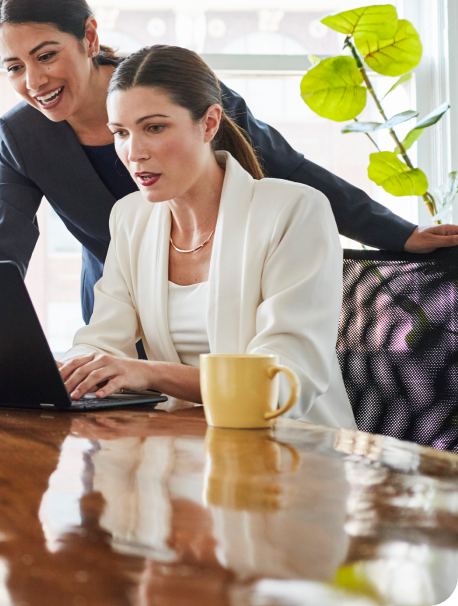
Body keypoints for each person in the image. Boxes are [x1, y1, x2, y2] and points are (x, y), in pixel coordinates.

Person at [0, 0, 458, 323]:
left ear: (89, 37)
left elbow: (290, 170)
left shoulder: (172, 88)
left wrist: (398, 233)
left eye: (46, 55)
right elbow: (1, 249)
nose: (34, 82)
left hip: (225, 302)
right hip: (119, 316)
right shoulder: (22, 135)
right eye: (13, 67)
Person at [58, 44, 356, 429]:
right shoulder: (131, 218)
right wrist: (73, 367)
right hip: (185, 446)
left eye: (155, 127)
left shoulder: (294, 210)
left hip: (292, 450)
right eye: (120, 133)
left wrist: (149, 373)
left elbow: (281, 383)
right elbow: (100, 340)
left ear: (210, 123)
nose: (134, 153)